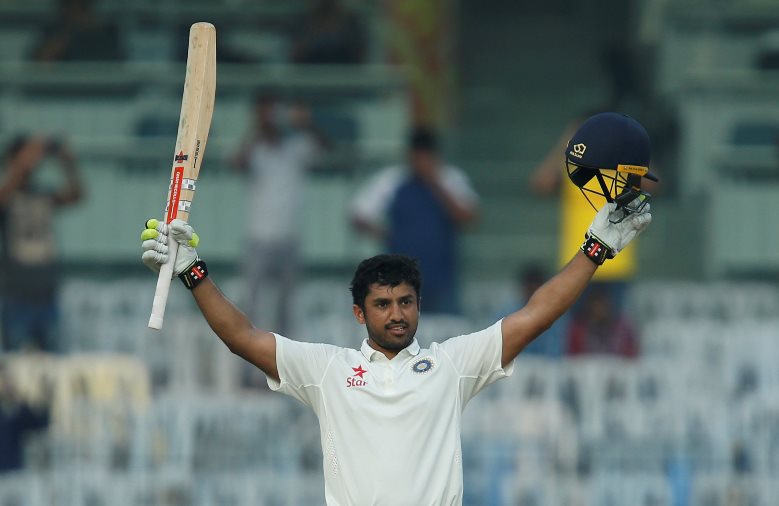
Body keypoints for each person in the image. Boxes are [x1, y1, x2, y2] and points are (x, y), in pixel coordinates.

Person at [140, 113, 654, 505]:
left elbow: (535, 314)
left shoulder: (451, 365)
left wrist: (593, 250)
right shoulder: (328, 371)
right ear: (360, 314)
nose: (397, 314)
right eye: (383, 304)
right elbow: (244, 337)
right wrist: (193, 270)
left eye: (405, 302)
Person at [350, 126, 478, 315]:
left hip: (442, 276)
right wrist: (386, 234)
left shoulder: (450, 178)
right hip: (399, 278)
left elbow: (469, 216)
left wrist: (434, 182)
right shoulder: (392, 180)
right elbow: (358, 214)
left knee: (448, 336)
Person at [230, 93, 329, 337]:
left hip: (288, 237)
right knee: (251, 307)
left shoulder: (296, 147)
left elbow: (327, 149)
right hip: (258, 238)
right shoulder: (255, 148)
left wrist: (306, 123)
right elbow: (237, 163)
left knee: (287, 308)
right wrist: (258, 128)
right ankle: (247, 368)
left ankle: (284, 367)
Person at [0, 136, 83, 351]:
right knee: (15, 371)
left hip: (47, 293)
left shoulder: (42, 193)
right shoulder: (8, 194)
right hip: (16, 296)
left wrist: (68, 164)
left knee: (54, 371)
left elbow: (76, 196)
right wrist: (21, 164)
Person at [566, 287, 639, 358]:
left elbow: (631, 353)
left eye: (604, 305)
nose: (600, 309)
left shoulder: (621, 329)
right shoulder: (579, 330)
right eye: (597, 305)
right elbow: (573, 357)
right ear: (590, 307)